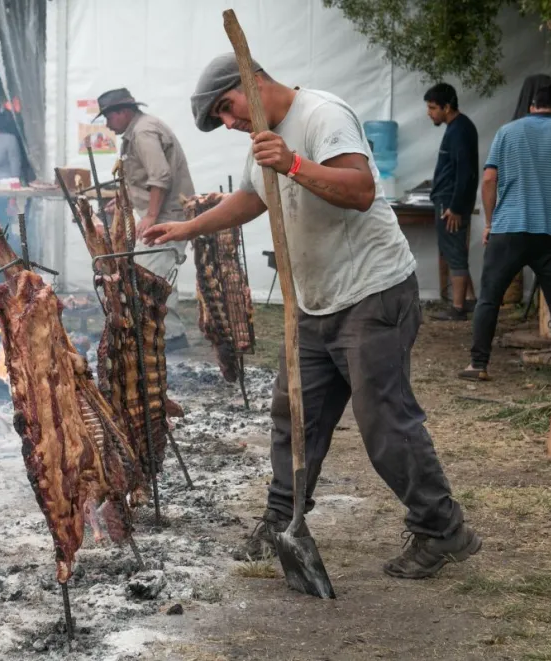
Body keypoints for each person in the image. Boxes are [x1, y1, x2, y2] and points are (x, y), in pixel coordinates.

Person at [144, 53, 479, 579]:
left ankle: (444, 530)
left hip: (372, 293)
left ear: (253, 83)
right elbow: (252, 199)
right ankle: (281, 519)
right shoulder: (265, 140)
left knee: (385, 422)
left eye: (227, 109)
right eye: (222, 119)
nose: (229, 123)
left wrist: (293, 163)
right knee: (294, 417)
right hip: (315, 301)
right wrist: (187, 229)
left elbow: (361, 189)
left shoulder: (323, 115)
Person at [459, 84, 551, 381]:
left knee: (489, 297)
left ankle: (478, 364)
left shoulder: (506, 132)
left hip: (508, 229)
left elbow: (489, 179)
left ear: (532, 107)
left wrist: (491, 224)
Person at [98, 88, 195, 352]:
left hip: (167, 218)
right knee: (150, 277)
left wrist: (151, 215)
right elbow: (141, 178)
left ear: (123, 112)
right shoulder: (137, 130)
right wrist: (122, 199)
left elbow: (160, 176)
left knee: (153, 281)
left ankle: (170, 342)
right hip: (163, 216)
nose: (107, 124)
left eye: (109, 117)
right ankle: (164, 339)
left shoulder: (143, 132)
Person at [423, 83, 479, 320]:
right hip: (447, 199)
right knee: (453, 249)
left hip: (450, 202)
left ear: (447, 107)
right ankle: (469, 300)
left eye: (433, 107)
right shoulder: (457, 127)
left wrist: (455, 207)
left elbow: (464, 171)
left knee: (454, 251)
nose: (429, 113)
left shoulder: (459, 130)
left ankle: (457, 308)